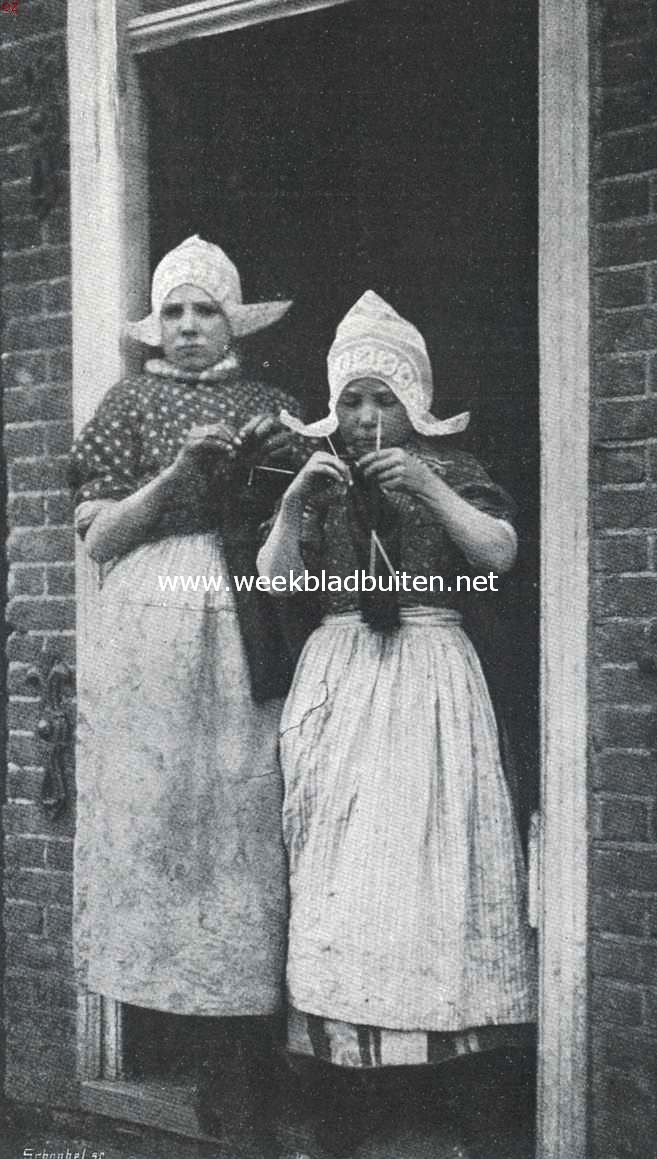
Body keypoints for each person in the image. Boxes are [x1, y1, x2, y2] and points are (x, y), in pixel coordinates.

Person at [257, 291, 537, 1155]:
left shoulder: (451, 468)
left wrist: (425, 483)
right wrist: (294, 503)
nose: (366, 416)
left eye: (383, 397)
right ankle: (347, 1077)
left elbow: (498, 553)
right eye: (351, 400)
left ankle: (445, 1080)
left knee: (430, 860)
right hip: (342, 675)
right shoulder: (322, 478)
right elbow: (277, 583)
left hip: (428, 671)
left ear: (414, 401)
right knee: (343, 866)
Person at [69, 236, 306, 1157]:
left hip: (250, 616)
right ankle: (182, 1044)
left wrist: (274, 465)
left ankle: (243, 1067)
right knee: (164, 814)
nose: (189, 326)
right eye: (173, 311)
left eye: (206, 310)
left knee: (246, 819)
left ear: (232, 322)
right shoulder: (127, 404)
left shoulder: (271, 404)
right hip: (153, 627)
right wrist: (178, 475)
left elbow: (309, 518)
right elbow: (100, 538)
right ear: (154, 326)